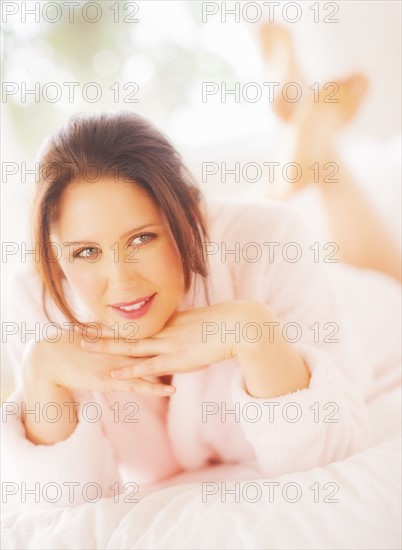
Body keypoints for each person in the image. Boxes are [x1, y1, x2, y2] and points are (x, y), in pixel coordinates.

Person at [2, 109, 378, 510]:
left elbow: (329, 457)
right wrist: (38, 370)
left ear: (190, 214)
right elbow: (70, 510)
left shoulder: (273, 242)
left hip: (363, 308)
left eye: (142, 238)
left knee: (374, 269)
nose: (122, 281)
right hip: (225, 240)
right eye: (87, 252)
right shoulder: (34, 299)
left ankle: (318, 142)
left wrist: (255, 333)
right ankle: (295, 160)